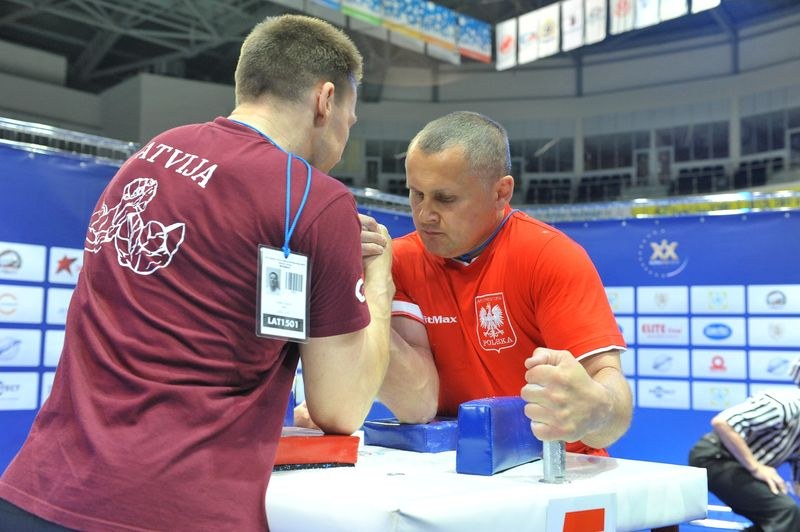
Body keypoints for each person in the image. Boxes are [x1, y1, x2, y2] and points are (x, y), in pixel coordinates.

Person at [0, 14, 393, 532]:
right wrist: (380, 280)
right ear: (325, 100)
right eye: (350, 120)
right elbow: (340, 409)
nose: (343, 139)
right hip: (172, 509)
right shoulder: (315, 199)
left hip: (38, 490)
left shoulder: (150, 156)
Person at [298, 111, 632, 455]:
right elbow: (417, 402)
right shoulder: (396, 261)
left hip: (560, 470)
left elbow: (613, 401)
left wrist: (596, 410)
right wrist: (352, 284)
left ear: (501, 192)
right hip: (453, 470)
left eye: (445, 199)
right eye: (416, 194)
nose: (425, 214)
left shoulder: (550, 256)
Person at [688, 360, 800, 532]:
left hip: (740, 467)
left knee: (790, 518)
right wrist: (756, 467)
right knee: (785, 512)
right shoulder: (784, 404)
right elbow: (723, 423)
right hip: (714, 458)